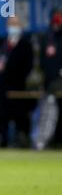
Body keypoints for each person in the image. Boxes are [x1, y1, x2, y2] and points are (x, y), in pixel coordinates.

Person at [0, 15, 34, 147]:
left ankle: (20, 140)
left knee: (19, 114)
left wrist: (18, 76)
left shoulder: (25, 44)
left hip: (18, 84)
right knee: (2, 113)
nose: (13, 27)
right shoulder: (3, 43)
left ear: (20, 26)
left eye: (15, 24)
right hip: (3, 84)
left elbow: (28, 65)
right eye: (11, 24)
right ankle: (3, 140)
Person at [40, 9, 62, 144]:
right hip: (50, 83)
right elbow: (44, 62)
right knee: (49, 112)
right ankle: (49, 139)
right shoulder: (47, 38)